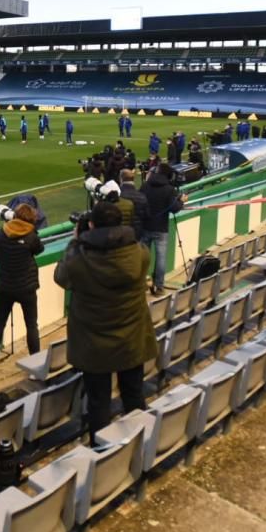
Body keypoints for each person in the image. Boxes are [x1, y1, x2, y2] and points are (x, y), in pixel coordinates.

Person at [54, 201, 156, 445]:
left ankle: (102, 454)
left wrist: (75, 241)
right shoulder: (140, 253)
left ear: (90, 224)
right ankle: (138, 447)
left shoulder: (79, 260)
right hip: (132, 339)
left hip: (93, 344)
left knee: (98, 402)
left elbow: (61, 276)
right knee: (134, 395)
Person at [0, 203, 45, 370]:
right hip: (26, 287)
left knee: (0, 321)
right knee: (31, 325)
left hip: (5, 285)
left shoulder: (0, 233)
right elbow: (39, 250)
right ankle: (36, 363)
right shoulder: (31, 236)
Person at [141, 163, 186, 294]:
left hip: (145, 226)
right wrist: (181, 201)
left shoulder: (145, 186)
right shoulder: (169, 189)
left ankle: (141, 284)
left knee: (143, 257)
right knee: (161, 258)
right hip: (161, 228)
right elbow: (175, 208)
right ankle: (158, 287)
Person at [118, 169, 149, 239]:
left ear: (121, 179)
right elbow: (147, 215)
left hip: (121, 232)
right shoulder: (141, 196)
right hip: (138, 232)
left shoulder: (119, 195)